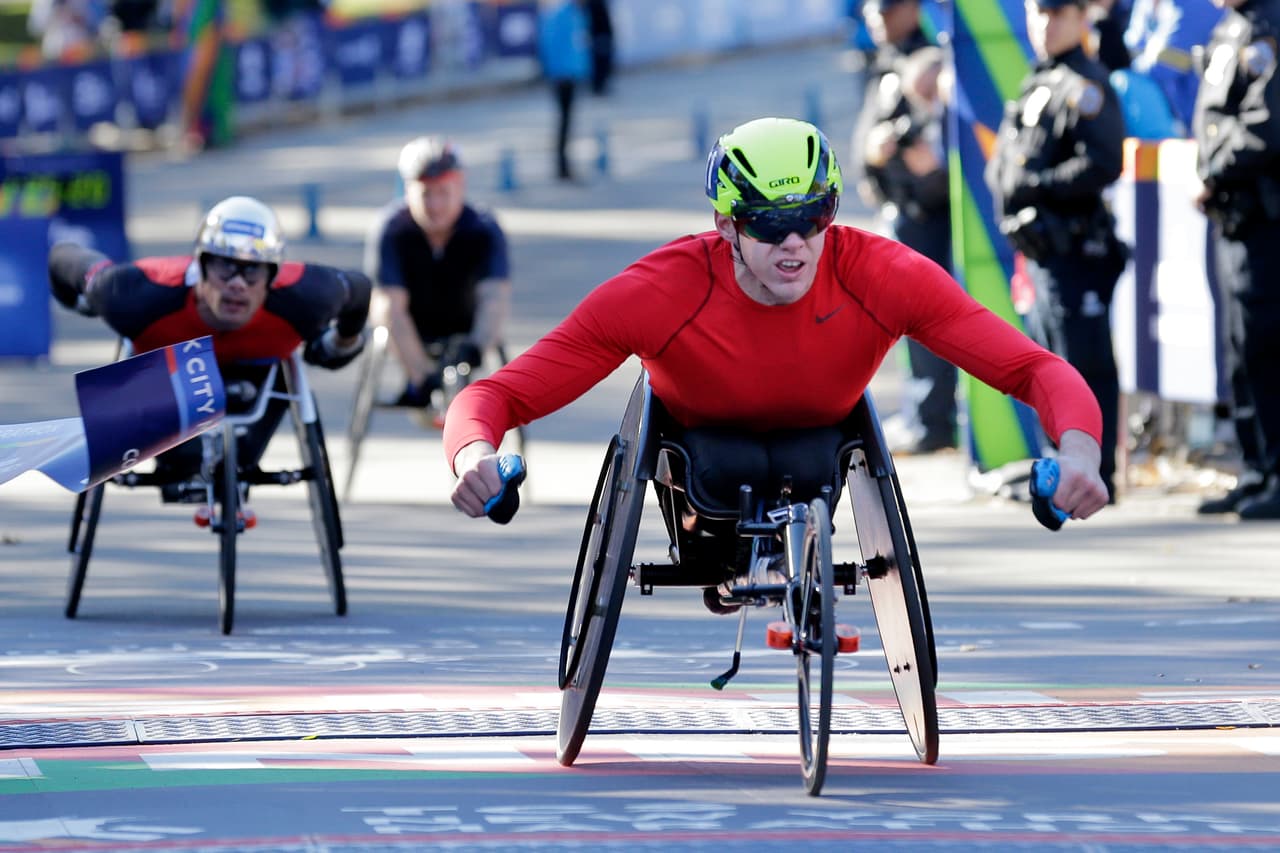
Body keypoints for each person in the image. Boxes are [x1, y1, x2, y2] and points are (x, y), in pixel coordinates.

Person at [445, 117, 1111, 536]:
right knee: (725, 461)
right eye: (768, 223)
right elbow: (495, 396)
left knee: (802, 456)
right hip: (699, 453)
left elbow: (1033, 369)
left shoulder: (884, 275)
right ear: (726, 225)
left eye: (814, 217)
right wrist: (474, 457)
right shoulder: (659, 292)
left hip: (819, 442)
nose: (795, 243)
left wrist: (1079, 451)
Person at [48, 195, 370, 508]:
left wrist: (338, 346)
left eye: (252, 271)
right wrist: (86, 302)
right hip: (165, 378)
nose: (238, 284)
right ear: (200, 265)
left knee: (240, 462)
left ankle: (233, 466)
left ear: (273, 275)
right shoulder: (133, 293)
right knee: (184, 466)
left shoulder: (308, 295)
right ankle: (184, 464)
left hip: (259, 379)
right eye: (225, 267)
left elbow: (360, 289)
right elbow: (63, 257)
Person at [986, 0, 1129, 503]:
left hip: (1076, 251)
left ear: (1079, 16)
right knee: (1051, 364)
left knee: (1083, 365)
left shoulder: (1086, 85)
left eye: (1054, 13)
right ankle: (1061, 468)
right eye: (1035, 12)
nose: (1042, 24)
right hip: (1044, 253)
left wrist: (1038, 186)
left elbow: (1104, 163)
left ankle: (1095, 473)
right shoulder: (1038, 81)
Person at [1191, 0, 1280, 519]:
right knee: (1241, 349)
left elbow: (1264, 128)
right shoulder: (1233, 27)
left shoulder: (1269, 28)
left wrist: (1212, 169)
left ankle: (1276, 472)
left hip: (1264, 218)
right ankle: (1255, 468)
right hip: (1234, 216)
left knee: (1267, 345)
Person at [859, 44, 960, 454]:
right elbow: (869, 157)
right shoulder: (899, 102)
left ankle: (937, 422)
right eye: (918, 97)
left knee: (939, 331)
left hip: (944, 237)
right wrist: (877, 154)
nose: (924, 105)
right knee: (913, 332)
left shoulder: (956, 118)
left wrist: (935, 173)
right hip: (908, 228)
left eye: (930, 94)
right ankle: (925, 418)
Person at [365, 136, 511, 412]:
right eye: (425, 194)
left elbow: (495, 298)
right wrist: (422, 374)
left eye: (443, 192)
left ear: (461, 187)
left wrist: (478, 347)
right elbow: (389, 305)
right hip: (411, 326)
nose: (434, 205)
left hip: (467, 325)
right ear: (407, 191)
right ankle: (419, 383)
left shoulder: (483, 228)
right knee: (382, 309)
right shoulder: (391, 228)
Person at [537, 0, 591, 181]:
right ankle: (562, 166)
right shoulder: (560, 14)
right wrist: (555, 72)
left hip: (573, 74)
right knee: (563, 123)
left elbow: (580, 44)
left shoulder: (577, 13)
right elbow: (550, 43)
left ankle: (565, 165)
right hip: (562, 76)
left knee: (568, 123)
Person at [583, 0, 615, 95]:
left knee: (602, 63)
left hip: (602, 35)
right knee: (600, 63)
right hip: (599, 36)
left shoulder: (596, 3)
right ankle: (598, 86)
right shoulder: (594, 3)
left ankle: (599, 85)